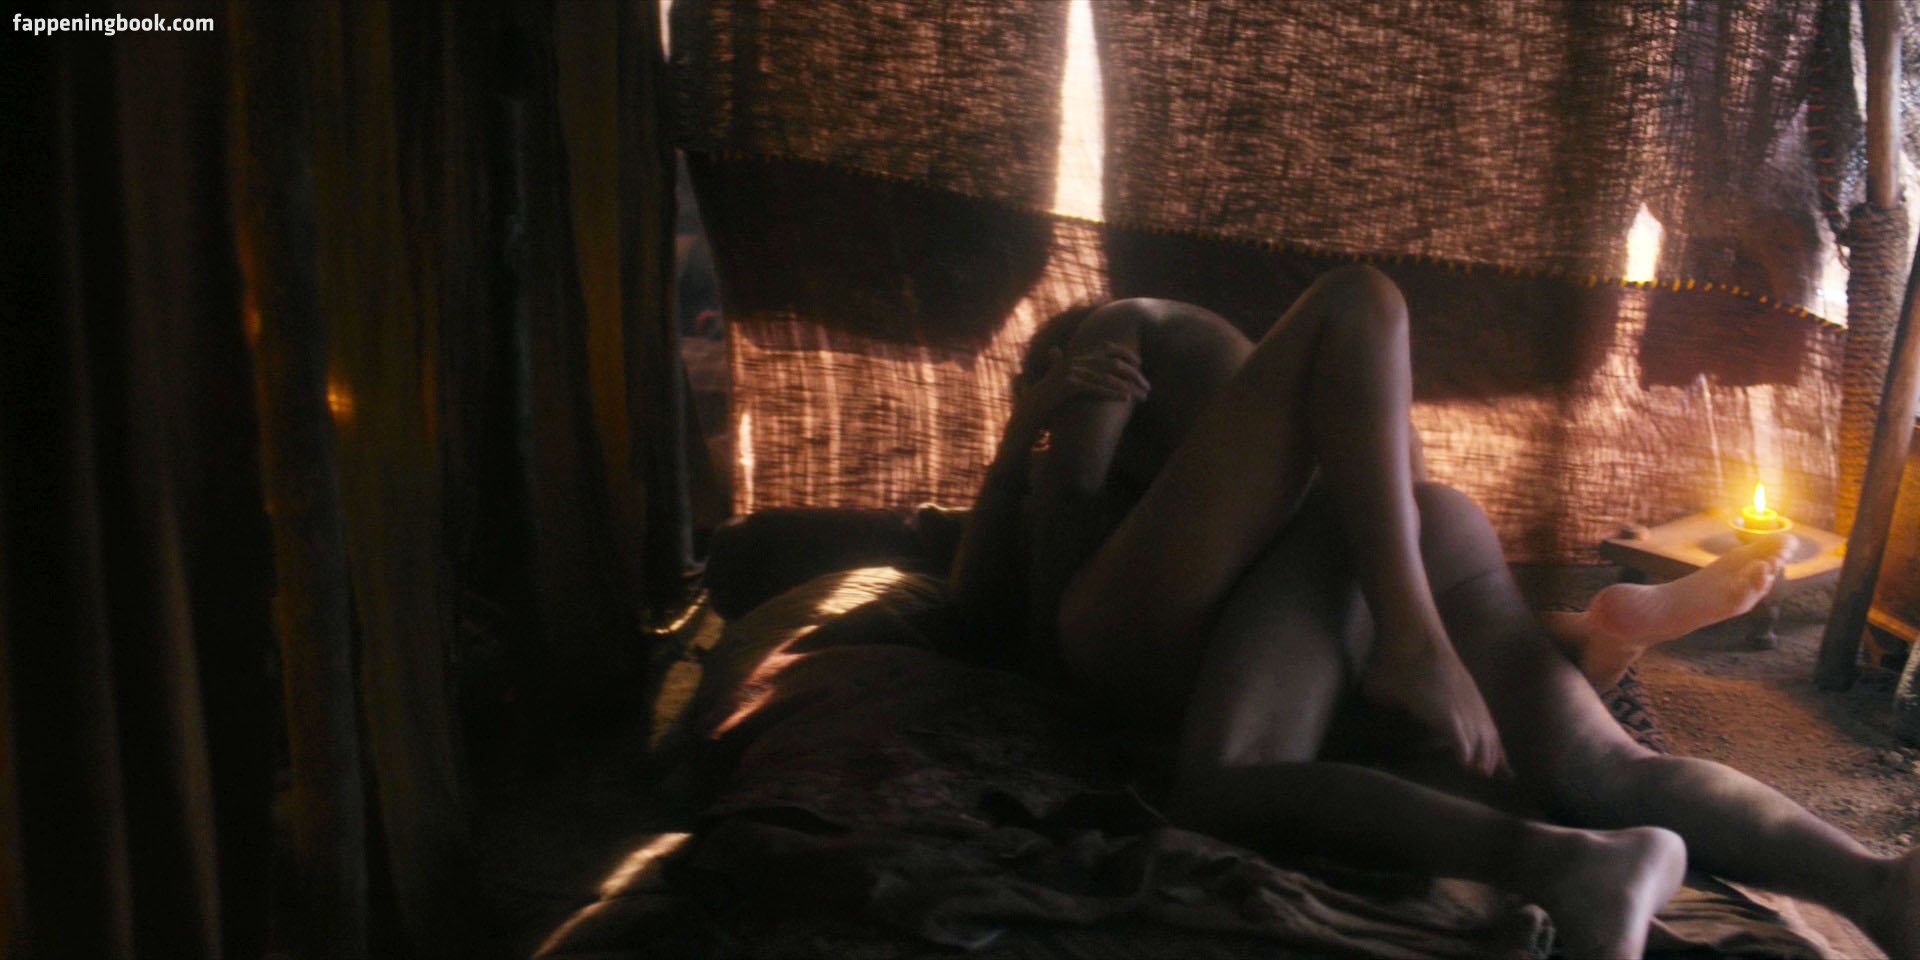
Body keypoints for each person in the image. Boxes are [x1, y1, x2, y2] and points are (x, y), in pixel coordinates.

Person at [948, 267, 1917, 960]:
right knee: (1602, 762)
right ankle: (1873, 881)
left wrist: (1039, 430)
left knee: (1226, 784)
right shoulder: (1251, 429)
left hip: (1355, 571)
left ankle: (1569, 844)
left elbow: (1041, 565)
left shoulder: (1123, 333)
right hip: (1412, 535)